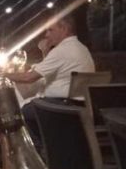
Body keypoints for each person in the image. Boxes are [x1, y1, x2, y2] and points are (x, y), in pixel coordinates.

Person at [6, 15, 95, 146]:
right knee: (29, 106)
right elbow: (51, 69)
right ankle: (48, 147)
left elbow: (28, 77)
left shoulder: (62, 50)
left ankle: (39, 152)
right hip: (80, 105)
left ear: (64, 29)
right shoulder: (81, 48)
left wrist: (2, 75)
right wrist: (45, 51)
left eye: (50, 30)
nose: (46, 35)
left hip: (59, 106)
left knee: (19, 113)